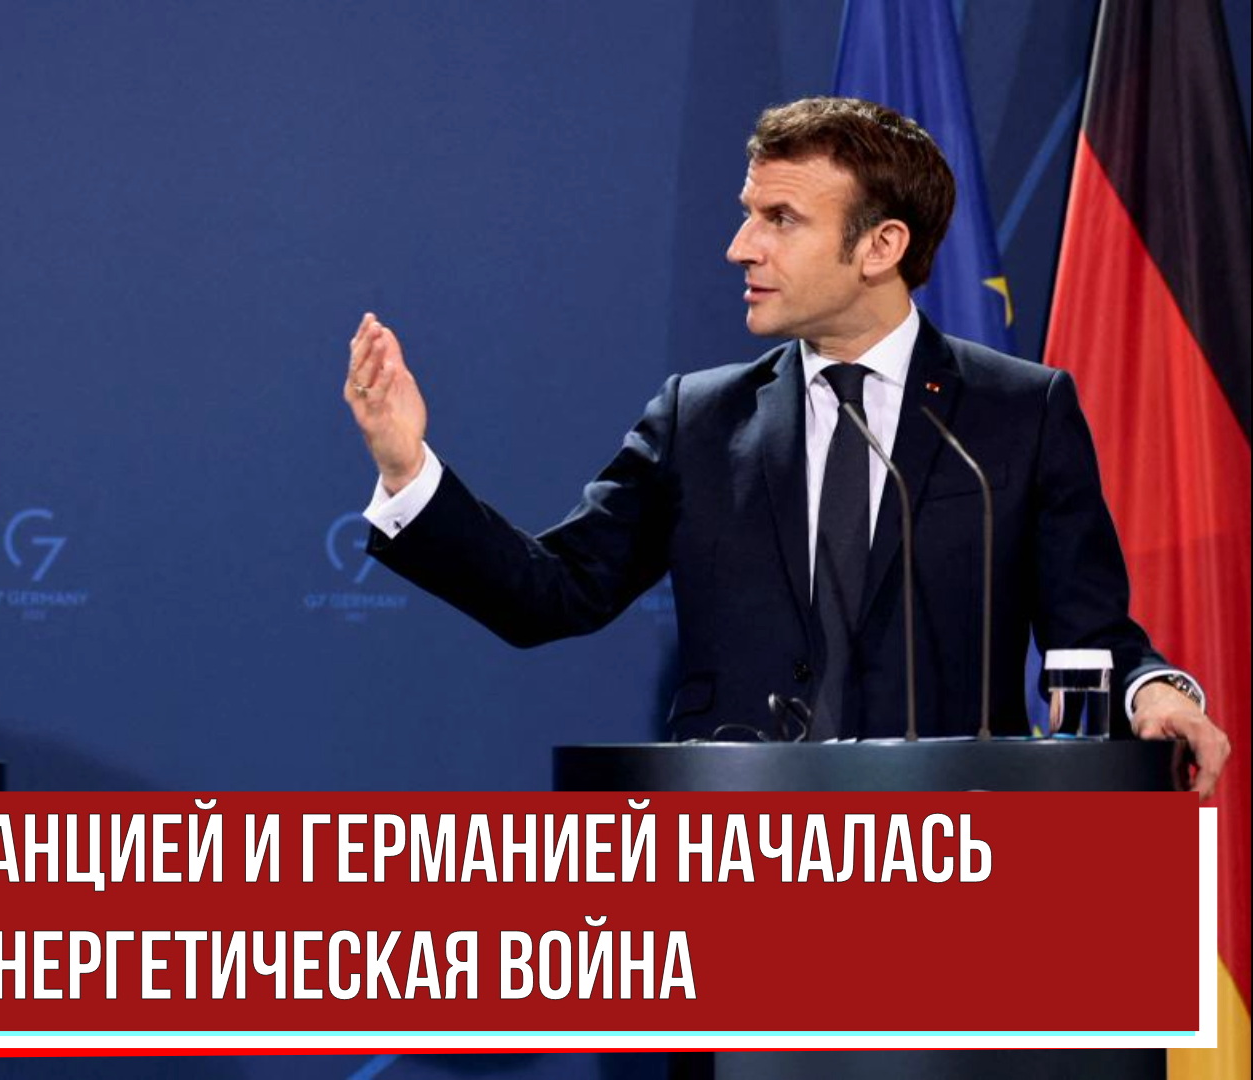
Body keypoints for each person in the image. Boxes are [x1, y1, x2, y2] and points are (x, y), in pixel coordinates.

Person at [342, 97, 1227, 798]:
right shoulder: (699, 419)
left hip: (955, 853)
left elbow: (1091, 634)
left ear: (881, 246)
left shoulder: (1016, 413)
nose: (741, 247)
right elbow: (553, 594)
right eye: (747, 214)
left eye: (780, 219)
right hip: (743, 859)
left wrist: (1156, 692)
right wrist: (405, 468)